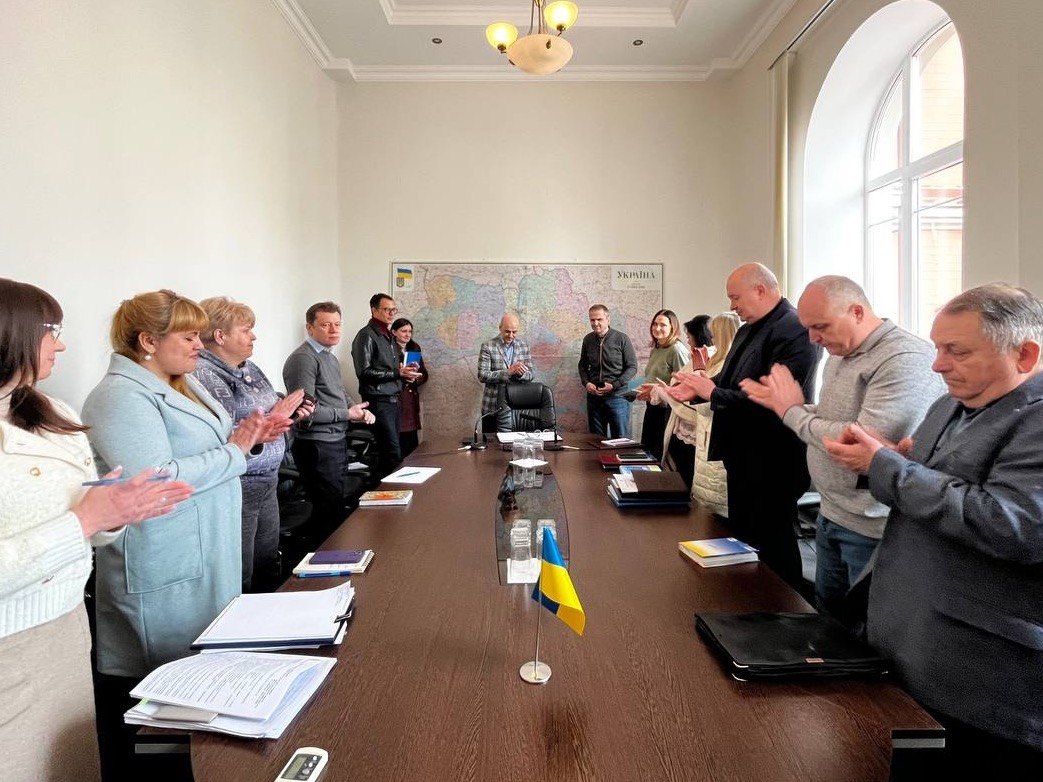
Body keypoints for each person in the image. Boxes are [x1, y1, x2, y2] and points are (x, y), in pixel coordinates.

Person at [824, 283, 1043, 774]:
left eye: (956, 351)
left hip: (979, 671)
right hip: (908, 635)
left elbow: (1014, 525)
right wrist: (894, 459)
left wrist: (891, 468)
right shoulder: (949, 403)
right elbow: (932, 483)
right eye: (938, 348)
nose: (938, 365)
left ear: (1024, 355)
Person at [82, 289, 295, 775]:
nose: (200, 345)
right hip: (167, 553)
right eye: (189, 336)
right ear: (147, 341)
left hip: (209, 542)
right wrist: (235, 451)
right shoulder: (119, 396)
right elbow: (155, 477)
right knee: (165, 686)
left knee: (204, 673)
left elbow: (213, 446)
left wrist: (250, 439)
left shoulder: (184, 382)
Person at [0, 279, 192, 781]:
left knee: (73, 761)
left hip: (65, 625)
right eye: (51, 331)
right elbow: (79, 519)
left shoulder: (51, 412)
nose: (60, 345)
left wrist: (114, 514)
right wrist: (86, 519)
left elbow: (88, 518)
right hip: (9, 644)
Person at [741, 276, 942, 626]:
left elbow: (857, 442)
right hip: (833, 513)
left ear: (857, 312)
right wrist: (795, 408)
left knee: (867, 631)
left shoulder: (904, 358)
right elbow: (831, 418)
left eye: (820, 327)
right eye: (808, 328)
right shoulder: (841, 352)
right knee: (830, 622)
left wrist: (791, 412)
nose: (812, 339)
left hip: (871, 525)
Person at [680, 263, 821, 591]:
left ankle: (784, 610)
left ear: (760, 290)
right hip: (741, 455)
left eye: (735, 297)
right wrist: (697, 388)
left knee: (774, 546)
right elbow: (729, 379)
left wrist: (713, 393)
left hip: (772, 459)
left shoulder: (794, 328)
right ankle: (749, 605)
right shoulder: (748, 329)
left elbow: (773, 396)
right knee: (745, 540)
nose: (731, 306)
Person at [193, 296, 313, 593]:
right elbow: (219, 435)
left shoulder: (249, 368)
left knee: (266, 560)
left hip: (267, 480)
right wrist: (275, 417)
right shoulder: (202, 375)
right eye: (246, 330)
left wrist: (291, 413)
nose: (254, 336)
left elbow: (271, 407)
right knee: (241, 570)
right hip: (238, 484)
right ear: (220, 336)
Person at [284, 301, 375, 534]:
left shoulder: (329, 357)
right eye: (325, 325)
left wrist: (356, 409)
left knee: (335, 507)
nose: (334, 330)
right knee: (328, 513)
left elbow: (339, 391)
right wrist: (347, 414)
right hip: (317, 444)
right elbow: (306, 410)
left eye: (337, 324)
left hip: (334, 440)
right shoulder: (304, 358)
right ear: (310, 328)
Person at [655, 313, 739, 505]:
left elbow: (705, 404)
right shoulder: (713, 359)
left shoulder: (726, 365)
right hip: (697, 439)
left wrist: (667, 394)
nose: (711, 339)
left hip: (707, 440)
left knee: (706, 505)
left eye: (714, 334)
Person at [352, 294, 421, 477]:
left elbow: (392, 370)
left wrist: (406, 376)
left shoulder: (388, 336)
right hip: (379, 401)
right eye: (386, 309)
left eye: (393, 310)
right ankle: (387, 492)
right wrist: (398, 373)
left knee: (394, 451)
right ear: (374, 310)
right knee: (391, 454)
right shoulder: (366, 335)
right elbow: (364, 372)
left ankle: (389, 490)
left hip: (394, 400)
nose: (391, 313)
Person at [578, 304, 638, 438]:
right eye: (592, 320)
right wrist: (586, 383)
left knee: (620, 439)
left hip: (617, 396)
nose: (595, 323)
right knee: (596, 439)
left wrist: (614, 385)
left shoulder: (622, 339)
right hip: (594, 397)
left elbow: (632, 367)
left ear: (608, 319)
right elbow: (582, 365)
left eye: (599, 319)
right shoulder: (588, 339)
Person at [635, 309, 689, 459]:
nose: (657, 328)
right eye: (655, 324)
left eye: (663, 325)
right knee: (647, 452)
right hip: (652, 408)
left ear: (673, 327)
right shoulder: (656, 348)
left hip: (666, 412)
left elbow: (684, 387)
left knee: (659, 456)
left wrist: (660, 392)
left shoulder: (676, 350)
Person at [477, 313, 534, 433]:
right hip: (492, 407)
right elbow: (482, 375)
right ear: (500, 328)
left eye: (514, 332)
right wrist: (508, 372)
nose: (511, 335)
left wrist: (521, 374)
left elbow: (531, 375)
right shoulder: (488, 346)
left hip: (516, 407)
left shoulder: (524, 347)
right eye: (507, 331)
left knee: (515, 442)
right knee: (491, 443)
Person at [391, 317, 429, 457]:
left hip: (411, 397)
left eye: (410, 331)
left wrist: (417, 377)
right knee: (398, 437)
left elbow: (424, 373)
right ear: (394, 332)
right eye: (404, 331)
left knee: (412, 439)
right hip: (396, 396)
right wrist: (402, 375)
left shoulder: (414, 347)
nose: (407, 334)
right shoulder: (388, 349)